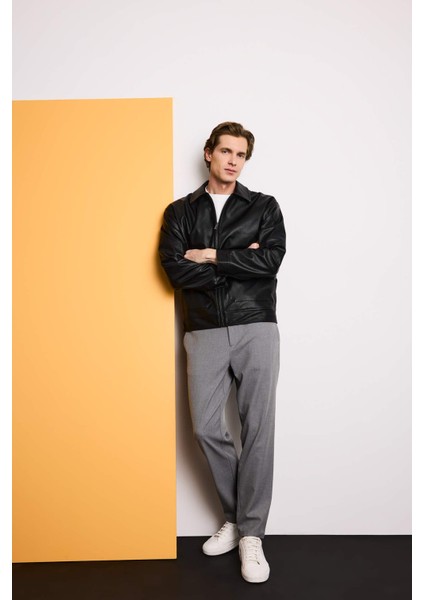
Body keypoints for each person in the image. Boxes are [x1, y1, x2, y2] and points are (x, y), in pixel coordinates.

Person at [159, 122, 286, 583]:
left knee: (258, 429)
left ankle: (251, 534)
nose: (234, 160)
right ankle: (236, 517)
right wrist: (237, 259)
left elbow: (270, 261)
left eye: (241, 154)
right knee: (206, 428)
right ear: (209, 153)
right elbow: (174, 271)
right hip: (204, 329)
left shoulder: (264, 206)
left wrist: (210, 255)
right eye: (226, 151)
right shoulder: (180, 212)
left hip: (256, 325)